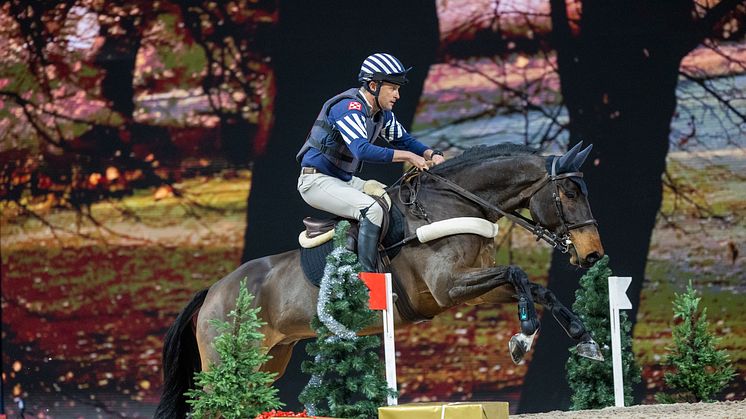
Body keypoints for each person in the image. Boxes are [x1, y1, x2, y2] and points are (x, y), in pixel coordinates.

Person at [296, 53, 445, 272]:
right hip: (316, 181)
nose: (398, 95)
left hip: (343, 180)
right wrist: (410, 157)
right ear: (374, 85)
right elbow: (362, 149)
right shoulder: (349, 108)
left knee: (392, 200)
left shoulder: (381, 114)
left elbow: (404, 140)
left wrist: (431, 154)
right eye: (393, 88)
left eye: (398, 89)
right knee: (372, 210)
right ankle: (367, 280)